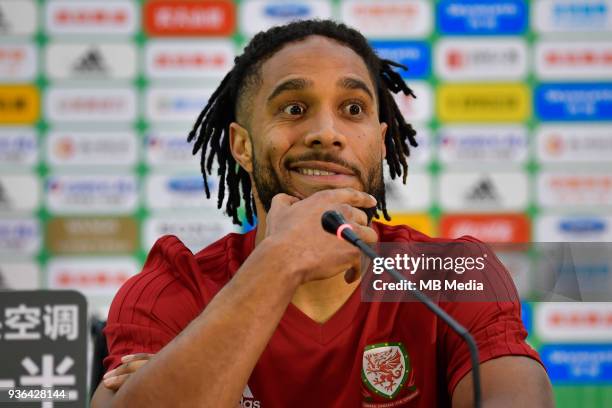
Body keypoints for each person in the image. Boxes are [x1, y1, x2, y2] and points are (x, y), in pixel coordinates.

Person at [91, 20, 553, 408]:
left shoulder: (451, 273)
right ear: (242, 146)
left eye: (353, 109)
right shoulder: (174, 287)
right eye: (294, 108)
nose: (326, 133)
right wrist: (281, 261)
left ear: (378, 138)